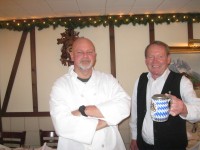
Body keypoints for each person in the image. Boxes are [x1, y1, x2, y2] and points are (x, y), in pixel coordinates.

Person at [50, 37, 130, 150]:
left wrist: (84, 111)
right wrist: (108, 120)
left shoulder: (108, 80)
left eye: (89, 52)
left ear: (95, 56)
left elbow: (125, 106)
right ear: (72, 55)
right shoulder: (60, 85)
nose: (85, 56)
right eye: (80, 52)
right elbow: (61, 125)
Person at [129, 41, 200, 150]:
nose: (155, 61)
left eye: (160, 56)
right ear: (146, 60)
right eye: (150, 57)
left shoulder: (182, 81)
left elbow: (198, 110)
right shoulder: (140, 80)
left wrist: (183, 109)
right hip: (143, 145)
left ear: (168, 59)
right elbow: (135, 111)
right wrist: (134, 137)